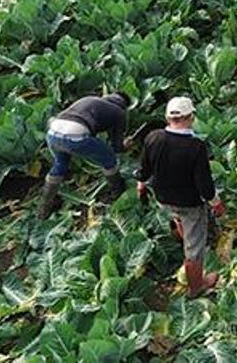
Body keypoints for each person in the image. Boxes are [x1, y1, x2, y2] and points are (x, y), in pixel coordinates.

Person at [135, 97, 225, 299]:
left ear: (168, 118)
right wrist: (216, 203)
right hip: (189, 203)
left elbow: (144, 169)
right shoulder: (195, 146)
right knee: (194, 249)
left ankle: (181, 234)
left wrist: (141, 184)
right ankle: (197, 287)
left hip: (163, 198)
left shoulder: (153, 137)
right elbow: (204, 184)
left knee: (176, 217)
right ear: (190, 117)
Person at [38, 92, 130, 219]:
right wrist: (125, 145)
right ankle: (118, 193)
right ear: (124, 105)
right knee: (109, 158)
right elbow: (117, 147)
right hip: (75, 134)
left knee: (60, 165)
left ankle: (44, 208)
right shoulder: (119, 112)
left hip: (53, 133)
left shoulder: (90, 99)